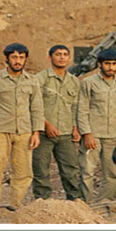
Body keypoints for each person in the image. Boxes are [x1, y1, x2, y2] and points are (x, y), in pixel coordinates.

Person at [0, 43, 44, 211]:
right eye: (14, 57)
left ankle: (16, 204)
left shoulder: (32, 81)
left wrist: (36, 132)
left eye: (21, 57)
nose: (18, 61)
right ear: (6, 58)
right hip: (0, 131)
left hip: (25, 132)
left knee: (23, 171)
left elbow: (37, 108)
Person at [32, 45, 82, 201]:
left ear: (69, 58)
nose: (61, 57)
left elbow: (74, 106)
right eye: (58, 54)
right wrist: (46, 125)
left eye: (65, 54)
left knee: (70, 169)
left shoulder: (74, 81)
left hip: (66, 133)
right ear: (50, 57)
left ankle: (75, 201)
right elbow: (33, 105)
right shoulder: (40, 79)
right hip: (43, 134)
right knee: (41, 169)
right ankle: (42, 202)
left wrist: (75, 127)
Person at [77, 49, 116, 203]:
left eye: (114, 64)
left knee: (112, 173)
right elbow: (82, 109)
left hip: (112, 136)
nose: (111, 67)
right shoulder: (88, 83)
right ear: (100, 64)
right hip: (93, 135)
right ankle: (85, 204)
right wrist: (86, 134)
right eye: (107, 64)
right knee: (87, 171)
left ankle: (106, 202)